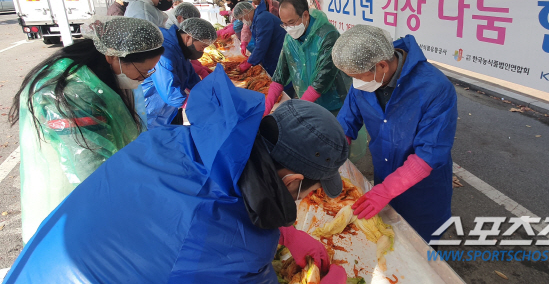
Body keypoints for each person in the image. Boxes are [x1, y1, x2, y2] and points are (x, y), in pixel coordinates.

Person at [3, 70, 349, 284]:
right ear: (293, 182)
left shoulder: (168, 138)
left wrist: (285, 235)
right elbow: (217, 228)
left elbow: (219, 186)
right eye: (309, 190)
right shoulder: (241, 247)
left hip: (36, 270)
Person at [8, 16, 164, 243]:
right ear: (113, 56)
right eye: (143, 72)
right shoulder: (71, 92)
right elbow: (87, 167)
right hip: (70, 190)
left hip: (102, 182)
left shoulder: (105, 75)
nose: (143, 79)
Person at [333, 25, 458, 243]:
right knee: (388, 241)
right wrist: (331, 154)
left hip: (423, 190)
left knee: (421, 250)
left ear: (381, 65)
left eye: (358, 77)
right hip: (385, 173)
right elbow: (346, 121)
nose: (356, 83)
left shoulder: (435, 88)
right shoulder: (366, 78)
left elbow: (429, 154)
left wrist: (385, 191)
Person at [264, 0, 350, 116]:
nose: (288, 28)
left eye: (291, 22)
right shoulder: (290, 38)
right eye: (284, 24)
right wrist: (266, 108)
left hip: (332, 103)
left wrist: (299, 108)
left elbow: (322, 79)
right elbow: (280, 74)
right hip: (306, 102)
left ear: (305, 15)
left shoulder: (327, 35)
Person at [142, 17, 217, 129]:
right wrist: (192, 104)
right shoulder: (165, 53)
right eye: (202, 47)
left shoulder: (180, 49)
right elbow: (170, 92)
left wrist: (207, 94)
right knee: (156, 140)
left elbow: (191, 76)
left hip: (168, 110)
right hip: (153, 109)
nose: (202, 51)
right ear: (188, 38)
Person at [232, 0, 286, 76]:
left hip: (278, 51)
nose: (243, 22)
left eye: (241, 19)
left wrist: (249, 62)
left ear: (245, 11)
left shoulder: (262, 18)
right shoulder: (256, 18)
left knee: (280, 79)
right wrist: (244, 42)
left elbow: (262, 45)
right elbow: (247, 31)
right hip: (272, 51)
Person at [163, 2, 211, 79]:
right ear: (179, 18)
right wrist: (197, 68)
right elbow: (170, 86)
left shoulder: (178, 33)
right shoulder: (168, 32)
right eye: (202, 46)